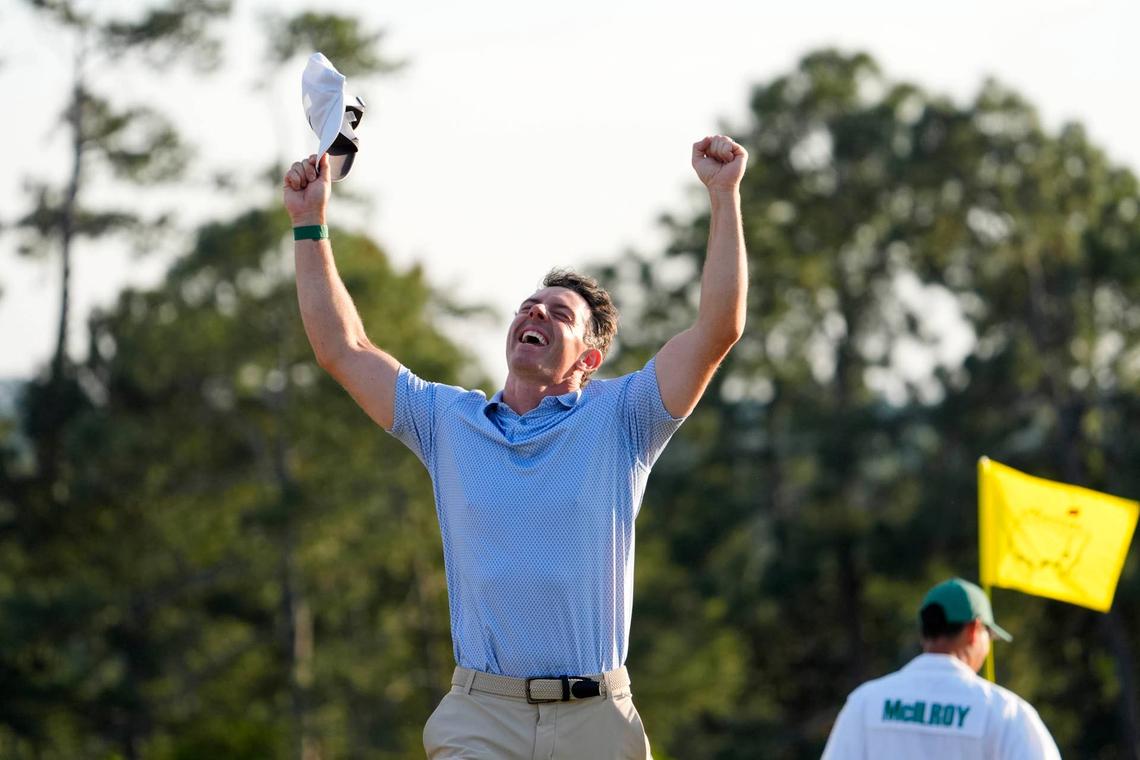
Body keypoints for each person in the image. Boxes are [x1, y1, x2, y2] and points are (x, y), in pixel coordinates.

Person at [282, 135, 748, 758]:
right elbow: (344, 350)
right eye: (529, 306)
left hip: (596, 720)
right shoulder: (446, 420)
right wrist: (310, 225)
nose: (535, 312)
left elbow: (718, 329)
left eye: (558, 313)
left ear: (589, 359)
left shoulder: (624, 416)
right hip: (481, 716)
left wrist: (724, 196)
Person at [821, 577, 1062, 760]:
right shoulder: (1006, 712)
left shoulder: (865, 703)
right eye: (989, 635)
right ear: (973, 630)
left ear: (924, 631)